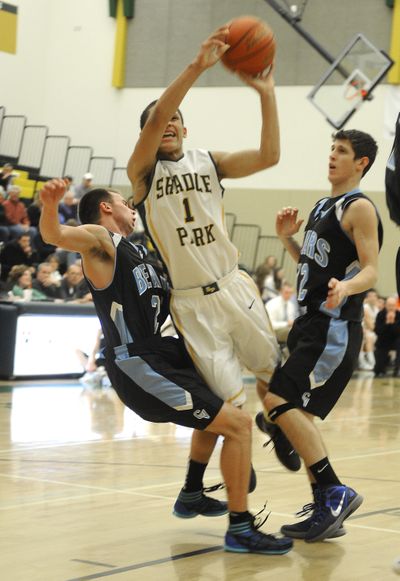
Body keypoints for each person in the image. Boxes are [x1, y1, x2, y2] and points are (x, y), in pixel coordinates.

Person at [39, 178, 293, 555]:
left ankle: (192, 492)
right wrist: (50, 204)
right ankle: (240, 528)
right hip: (137, 362)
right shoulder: (100, 241)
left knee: (222, 401)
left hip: (164, 351)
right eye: (124, 202)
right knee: (238, 427)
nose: (130, 207)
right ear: (106, 208)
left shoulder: (140, 252)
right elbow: (55, 234)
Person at [127, 24, 300, 472]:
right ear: (148, 131)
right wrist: (195, 67)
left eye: (174, 120)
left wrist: (266, 92)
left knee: (272, 378)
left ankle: (277, 425)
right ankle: (214, 480)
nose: (167, 124)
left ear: (185, 128)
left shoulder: (210, 162)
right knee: (227, 407)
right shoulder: (142, 173)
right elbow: (161, 111)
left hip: (233, 286)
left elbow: (269, 156)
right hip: (191, 304)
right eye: (158, 122)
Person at [261, 129, 383, 543]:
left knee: (277, 402)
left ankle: (334, 489)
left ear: (361, 163)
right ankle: (324, 506)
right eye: (331, 148)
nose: (332, 155)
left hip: (332, 325)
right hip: (309, 322)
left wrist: (347, 288)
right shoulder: (321, 205)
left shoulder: (360, 207)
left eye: (342, 151)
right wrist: (286, 240)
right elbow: (312, 263)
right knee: (301, 422)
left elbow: (370, 268)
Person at [373, 296, 400, 377]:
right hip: (383, 341)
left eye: (393, 305)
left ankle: (398, 368)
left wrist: (393, 323)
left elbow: (398, 332)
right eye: (389, 305)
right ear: (385, 305)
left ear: (395, 305)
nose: (391, 307)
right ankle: (381, 368)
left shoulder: (398, 314)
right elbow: (377, 331)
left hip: (396, 340)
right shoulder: (380, 314)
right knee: (378, 371)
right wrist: (387, 323)